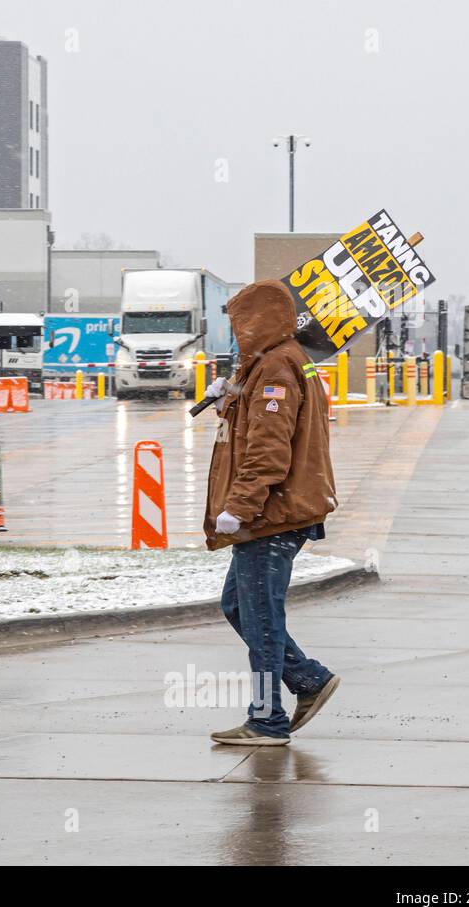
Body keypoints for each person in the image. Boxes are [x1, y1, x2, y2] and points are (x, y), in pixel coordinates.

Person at [202, 279, 342, 746]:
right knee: (240, 605)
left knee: (261, 617)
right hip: (279, 512)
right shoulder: (275, 363)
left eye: (240, 324)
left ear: (257, 320)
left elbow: (269, 451)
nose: (236, 334)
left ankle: (267, 720)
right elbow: (261, 427)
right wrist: (230, 400)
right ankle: (308, 679)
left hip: (272, 515)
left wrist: (238, 509)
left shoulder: (277, 368)